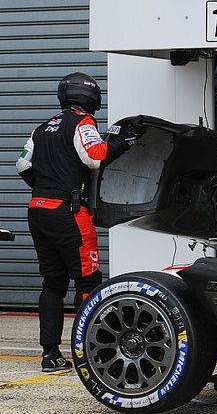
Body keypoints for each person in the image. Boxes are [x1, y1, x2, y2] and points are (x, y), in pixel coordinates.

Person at [15, 73, 145, 372]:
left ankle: (50, 355)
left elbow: (22, 164)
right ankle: (91, 353)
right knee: (88, 281)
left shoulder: (41, 127)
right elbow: (95, 156)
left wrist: (46, 188)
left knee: (53, 282)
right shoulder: (83, 122)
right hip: (68, 213)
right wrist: (125, 141)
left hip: (38, 209)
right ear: (91, 97)